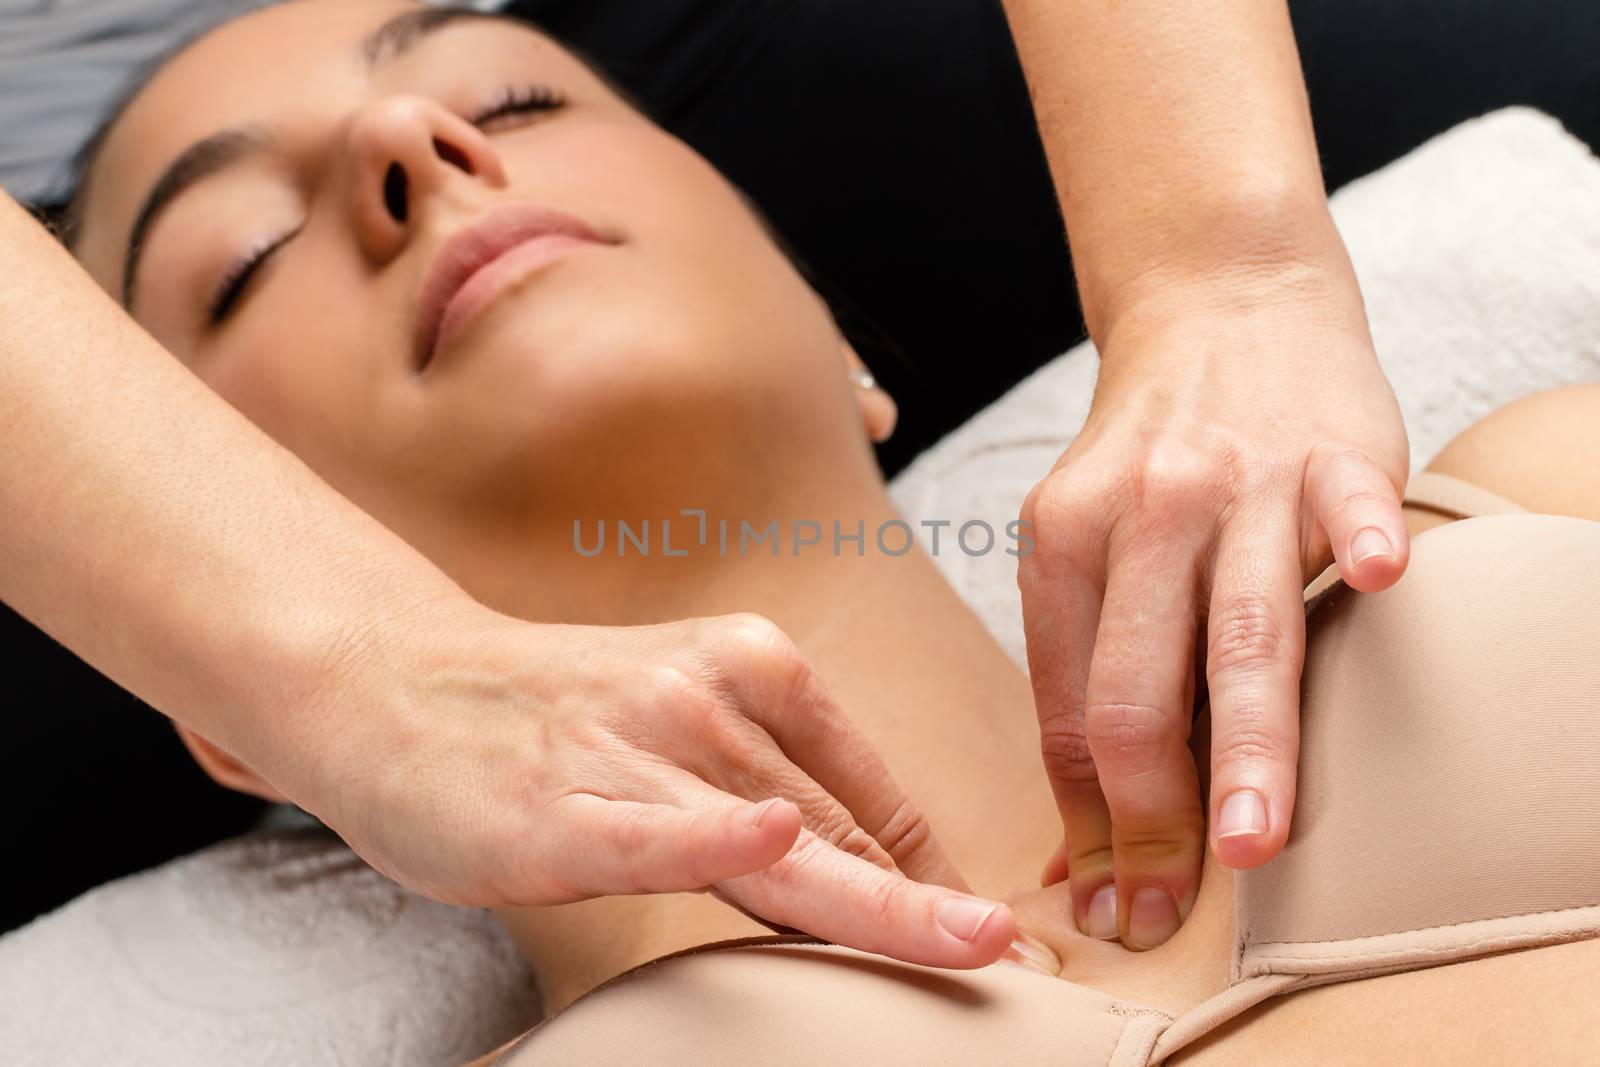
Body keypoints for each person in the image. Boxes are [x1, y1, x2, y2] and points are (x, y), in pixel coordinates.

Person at [57, 4, 1600, 1050]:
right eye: (245, 256)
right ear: (241, 725)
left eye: (514, 98)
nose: (410, 140)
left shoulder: (1540, 491)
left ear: (840, 334)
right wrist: (346, 667)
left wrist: (1228, 263)